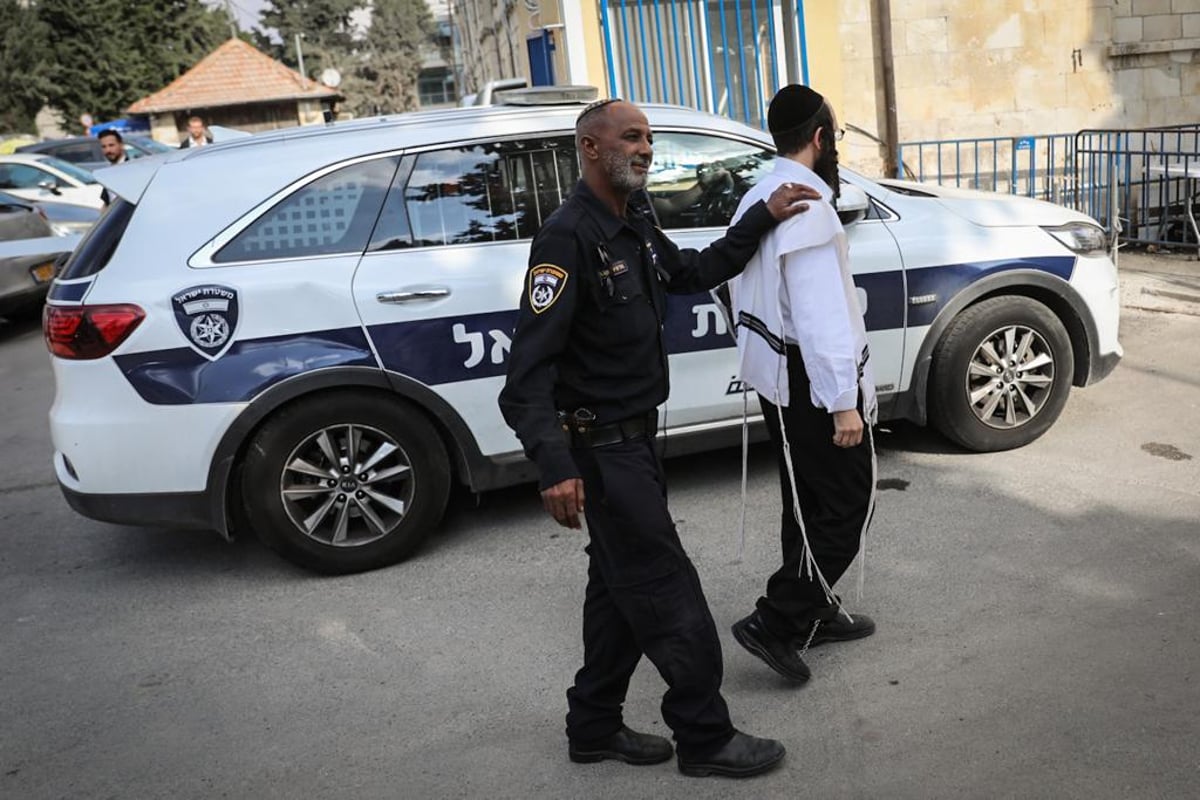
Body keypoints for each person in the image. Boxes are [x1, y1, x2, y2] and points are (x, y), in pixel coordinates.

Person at [498, 97, 819, 779]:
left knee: (617, 592)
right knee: (668, 592)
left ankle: (592, 725)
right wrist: (554, 464)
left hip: (637, 439)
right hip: (604, 451)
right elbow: (525, 373)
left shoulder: (634, 217)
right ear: (590, 148)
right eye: (631, 137)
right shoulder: (567, 237)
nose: (645, 148)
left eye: (650, 138)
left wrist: (760, 217)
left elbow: (686, 274)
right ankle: (704, 737)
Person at [726, 84, 878, 684]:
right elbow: (820, 316)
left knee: (807, 499)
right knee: (848, 502)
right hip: (809, 375)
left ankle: (811, 607)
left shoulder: (761, 194)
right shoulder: (806, 202)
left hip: (779, 371)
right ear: (820, 138)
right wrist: (843, 403)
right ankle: (779, 620)